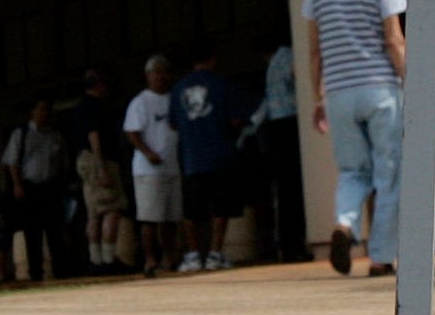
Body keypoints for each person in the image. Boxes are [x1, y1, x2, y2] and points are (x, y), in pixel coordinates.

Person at [304, 0, 407, 278]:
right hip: (380, 90)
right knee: (389, 175)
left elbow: (315, 52)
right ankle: (380, 256)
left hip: (340, 94)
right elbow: (394, 42)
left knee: (352, 171)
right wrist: (411, 83)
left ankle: (345, 225)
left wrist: (319, 97)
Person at [169, 43, 243, 272]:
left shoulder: (178, 88)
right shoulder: (221, 84)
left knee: (192, 209)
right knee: (220, 208)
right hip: (220, 154)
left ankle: (192, 255)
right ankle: (214, 254)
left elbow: (173, 123)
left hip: (191, 157)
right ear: (212, 59)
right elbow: (236, 120)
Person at [245, 36, 307, 262]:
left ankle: (288, 245)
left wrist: (250, 126)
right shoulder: (289, 57)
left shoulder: (272, 66)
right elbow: (300, 79)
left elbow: (266, 106)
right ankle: (296, 244)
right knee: (296, 187)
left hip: (275, 128)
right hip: (291, 123)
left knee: (284, 189)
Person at [121, 54, 183, 275]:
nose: (161, 76)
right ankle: (150, 260)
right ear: (148, 76)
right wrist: (148, 153)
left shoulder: (174, 99)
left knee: (170, 217)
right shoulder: (140, 102)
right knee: (149, 217)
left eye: (164, 72)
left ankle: (169, 258)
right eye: (156, 72)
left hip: (172, 166)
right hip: (148, 169)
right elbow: (132, 132)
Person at [0, 94, 69, 281]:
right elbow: (11, 162)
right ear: (33, 112)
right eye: (41, 109)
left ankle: (60, 270)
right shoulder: (21, 134)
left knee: (55, 231)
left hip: (50, 187)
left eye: (47, 110)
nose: (45, 113)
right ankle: (36, 272)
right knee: (32, 233)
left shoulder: (55, 136)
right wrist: (17, 184)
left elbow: (61, 163)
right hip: (30, 188)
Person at [77, 126, 131, 271]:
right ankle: (108, 259)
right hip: (101, 163)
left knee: (93, 214)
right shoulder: (95, 108)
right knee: (112, 210)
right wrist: (101, 168)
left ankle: (96, 260)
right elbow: (93, 134)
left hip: (88, 162)